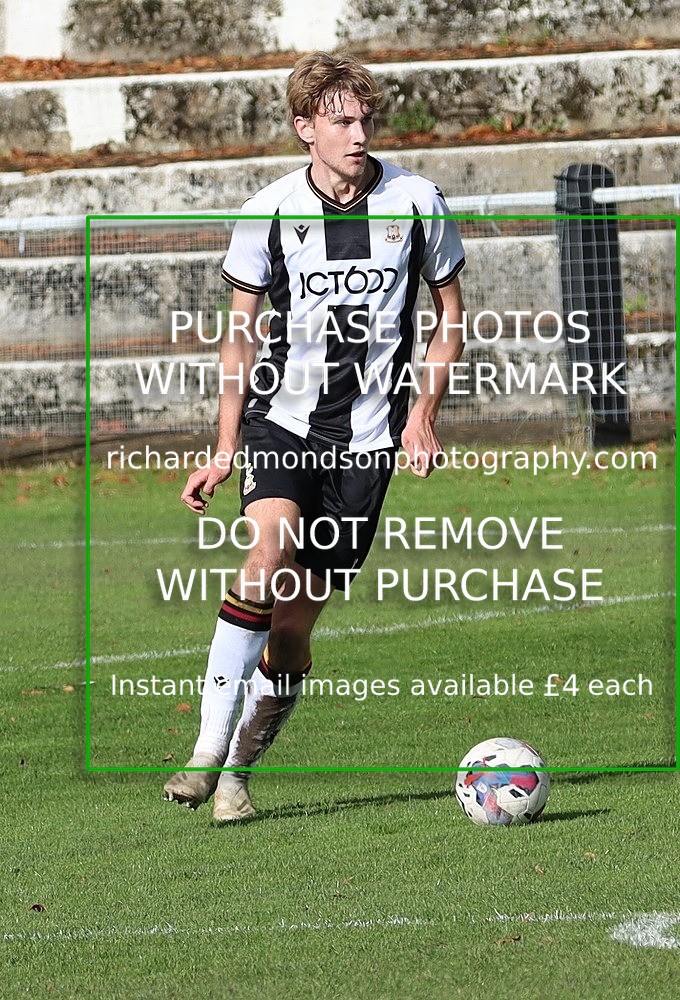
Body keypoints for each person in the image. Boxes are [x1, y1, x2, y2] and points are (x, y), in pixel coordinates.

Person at [163, 51, 466, 823]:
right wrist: (227, 447)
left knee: (291, 635)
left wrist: (422, 415)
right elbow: (238, 341)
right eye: (341, 121)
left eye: (365, 119)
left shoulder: (417, 200)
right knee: (267, 556)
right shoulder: (267, 211)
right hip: (283, 423)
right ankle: (203, 753)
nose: (359, 133)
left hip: (366, 444)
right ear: (306, 129)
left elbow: (449, 318)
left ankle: (237, 773)